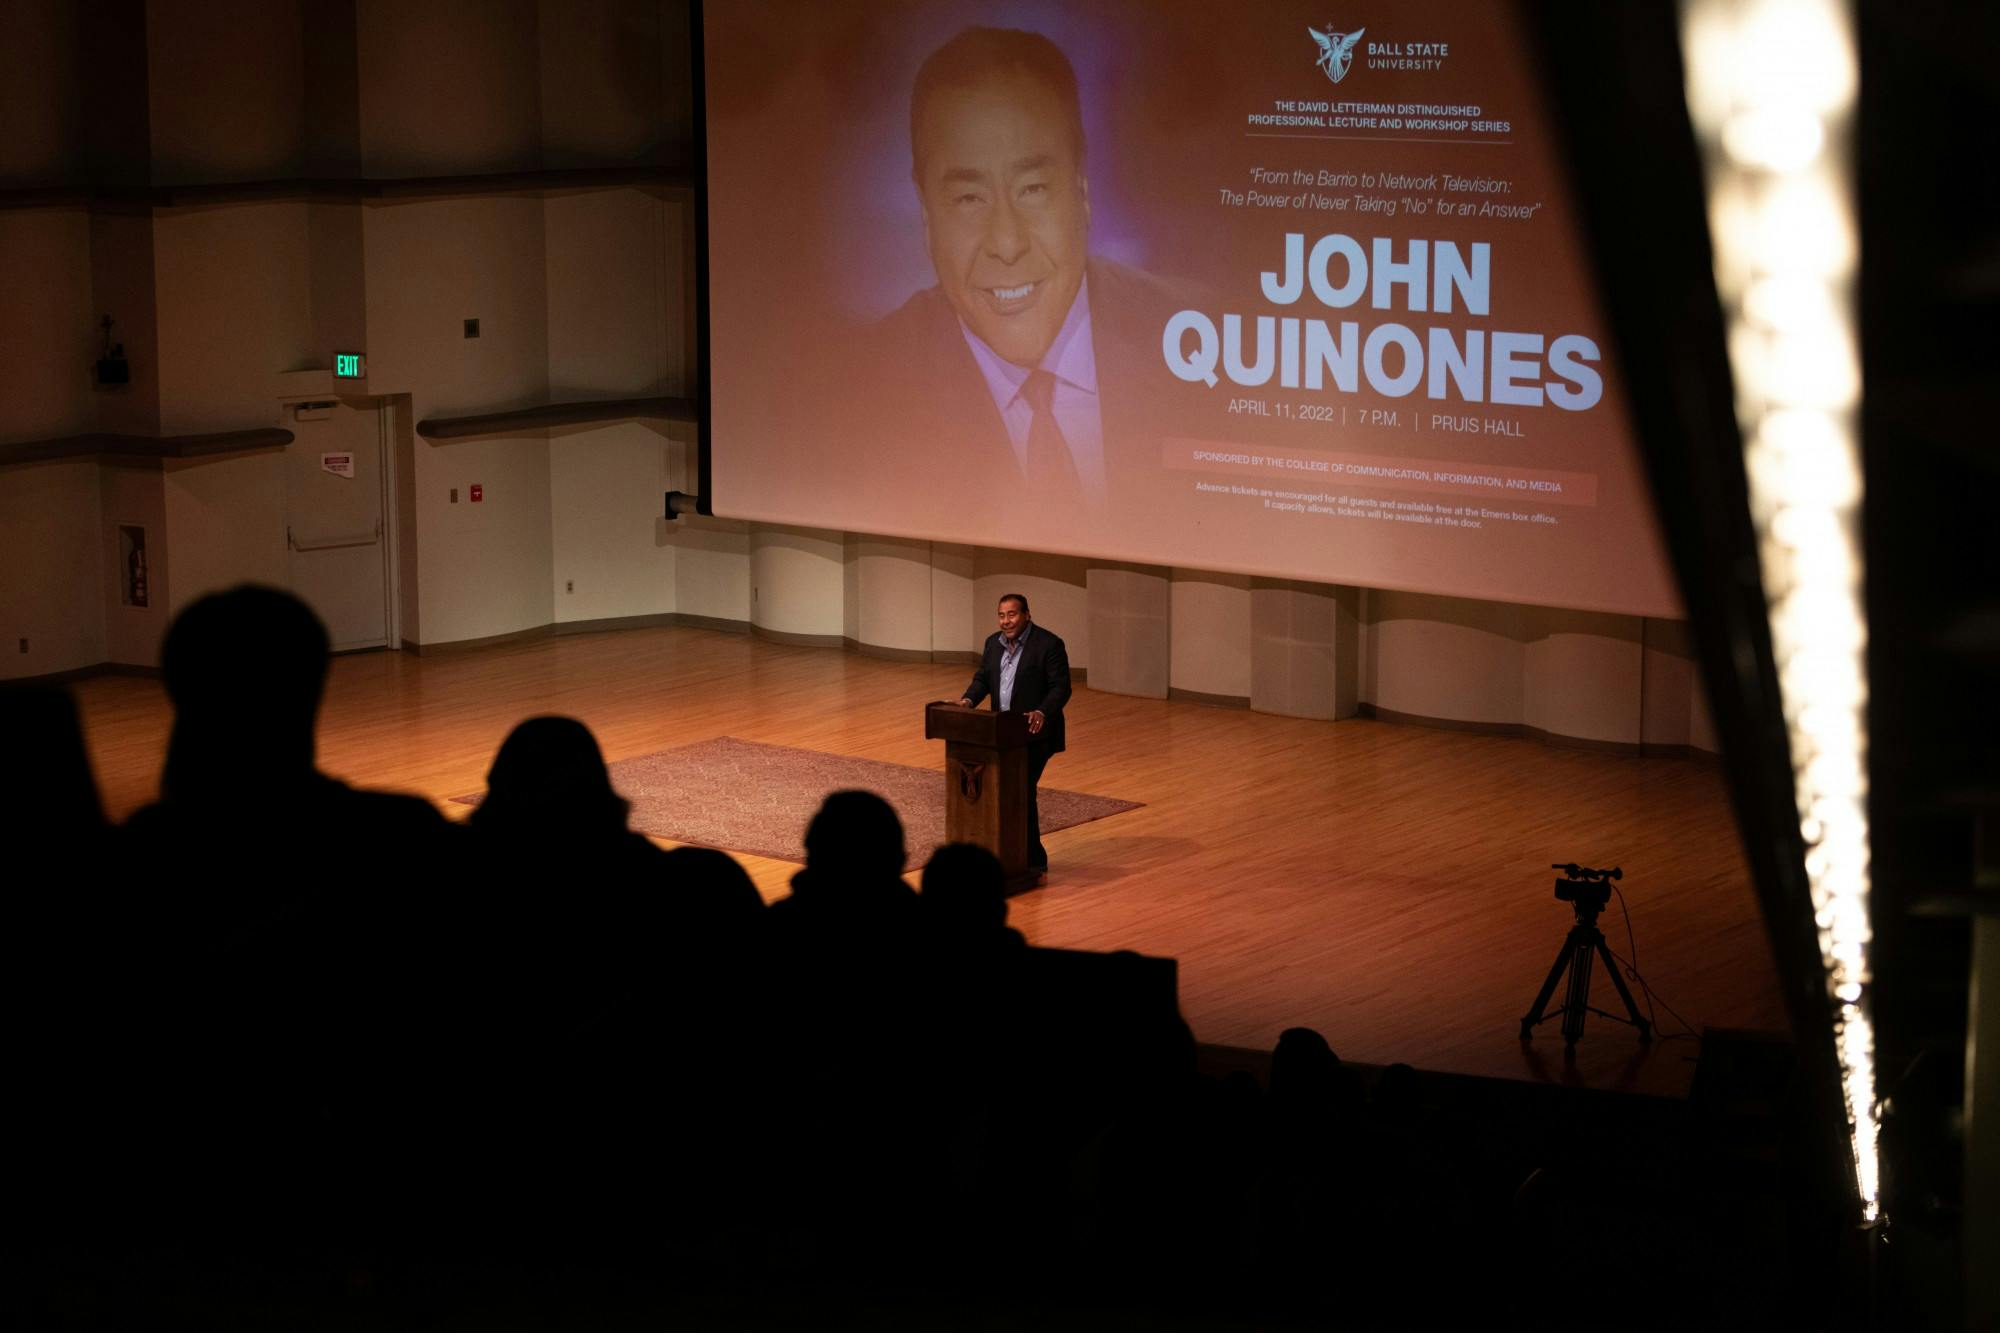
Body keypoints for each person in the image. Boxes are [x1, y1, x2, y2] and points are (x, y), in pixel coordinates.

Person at [870, 26, 1198, 517]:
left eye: (1033, 189)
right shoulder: (862, 390)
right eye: (969, 198)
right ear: (926, 217)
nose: (1007, 244)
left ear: (1082, 192)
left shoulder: (1206, 344)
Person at [957, 592, 1071, 879]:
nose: (1006, 621)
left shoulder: (1049, 645)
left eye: (1012, 614)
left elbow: (1061, 688)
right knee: (1008, 791)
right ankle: (1011, 854)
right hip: (1003, 732)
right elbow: (983, 679)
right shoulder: (992, 644)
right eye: (1001, 615)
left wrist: (1042, 711)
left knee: (1020, 789)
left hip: (1035, 734)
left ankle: (1032, 861)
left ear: (1027, 615)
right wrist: (968, 701)